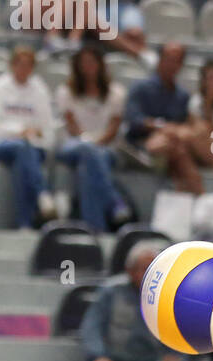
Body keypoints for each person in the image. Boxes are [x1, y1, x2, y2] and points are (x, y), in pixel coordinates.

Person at [78, 241, 197, 361]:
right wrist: (100, 355)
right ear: (130, 271)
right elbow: (91, 329)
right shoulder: (111, 292)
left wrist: (178, 360)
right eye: (144, 269)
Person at [0, 43, 58, 228]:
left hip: (33, 147)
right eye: (20, 64)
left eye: (28, 64)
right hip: (1, 144)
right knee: (22, 148)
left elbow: (46, 127)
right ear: (12, 65)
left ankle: (25, 223)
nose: (24, 69)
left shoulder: (40, 90)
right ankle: (43, 195)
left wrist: (31, 134)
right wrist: (19, 131)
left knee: (24, 158)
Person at [55, 45, 131, 233]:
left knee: (87, 166)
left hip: (105, 148)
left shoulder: (116, 93)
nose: (88, 67)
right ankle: (114, 201)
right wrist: (86, 142)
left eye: (92, 62)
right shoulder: (66, 92)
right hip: (74, 145)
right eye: (83, 63)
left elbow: (113, 129)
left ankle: (94, 229)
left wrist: (93, 144)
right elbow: (72, 126)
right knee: (87, 152)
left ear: (100, 65)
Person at [123, 42, 201, 194]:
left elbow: (182, 126)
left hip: (172, 145)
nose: (172, 64)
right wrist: (162, 127)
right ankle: (198, 195)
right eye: (169, 59)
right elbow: (133, 120)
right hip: (139, 146)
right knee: (177, 149)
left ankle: (183, 194)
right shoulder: (140, 88)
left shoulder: (182, 96)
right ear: (160, 59)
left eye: (177, 61)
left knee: (182, 145)